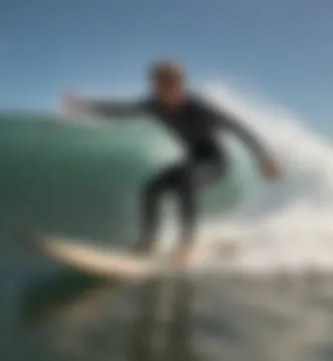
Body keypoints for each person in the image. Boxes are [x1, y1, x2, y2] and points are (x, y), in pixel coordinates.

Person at [61, 60, 281, 267]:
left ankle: (186, 244)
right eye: (156, 84)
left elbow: (237, 127)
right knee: (151, 188)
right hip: (193, 160)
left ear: (180, 85)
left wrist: (264, 157)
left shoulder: (199, 107)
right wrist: (85, 106)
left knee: (185, 181)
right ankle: (147, 243)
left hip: (216, 162)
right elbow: (121, 110)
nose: (160, 90)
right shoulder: (154, 105)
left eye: (166, 84)